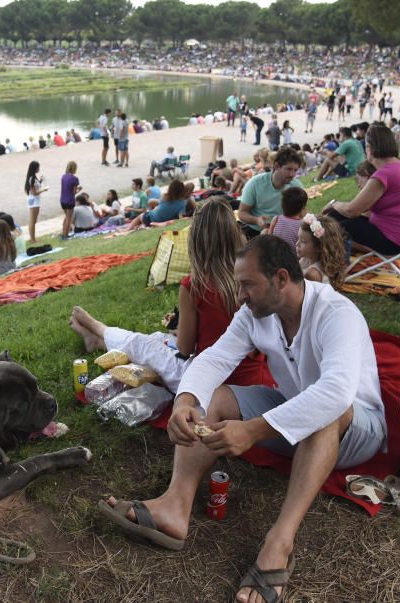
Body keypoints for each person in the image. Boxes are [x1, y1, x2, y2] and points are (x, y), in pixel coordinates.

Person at [97, 235, 384, 603]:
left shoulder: (335, 313)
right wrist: (185, 400)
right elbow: (215, 359)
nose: (240, 295)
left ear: (281, 278)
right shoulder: (254, 314)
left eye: (248, 285)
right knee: (215, 397)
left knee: (325, 411)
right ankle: (174, 505)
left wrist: (253, 430)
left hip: (357, 428)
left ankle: (280, 542)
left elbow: (336, 394)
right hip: (292, 412)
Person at [70, 198, 273, 393]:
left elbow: (184, 349)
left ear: (196, 239)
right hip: (254, 377)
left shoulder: (195, 285)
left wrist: (180, 332)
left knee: (146, 345)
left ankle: (98, 328)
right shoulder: (253, 276)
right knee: (159, 338)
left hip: (209, 382)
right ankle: (97, 341)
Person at [323, 125, 400, 256]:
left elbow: (351, 211)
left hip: (394, 242)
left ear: (369, 148)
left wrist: (333, 203)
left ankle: (325, 264)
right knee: (335, 216)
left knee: (329, 225)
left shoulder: (385, 174)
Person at [237, 147, 304, 239]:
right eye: (289, 169)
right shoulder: (255, 183)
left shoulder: (297, 186)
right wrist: (257, 220)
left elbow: (302, 211)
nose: (292, 174)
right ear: (276, 166)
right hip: (255, 230)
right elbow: (242, 213)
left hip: (283, 232)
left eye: (295, 170)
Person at [296, 213, 348, 289]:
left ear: (319, 247)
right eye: (298, 238)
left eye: (303, 241)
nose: (297, 243)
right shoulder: (307, 258)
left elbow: (305, 297)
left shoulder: (313, 274)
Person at [25, 161, 47, 243]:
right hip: (34, 201)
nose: (39, 169)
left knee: (33, 221)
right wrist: (44, 190)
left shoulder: (32, 178)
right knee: (32, 221)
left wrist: (40, 181)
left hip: (34, 200)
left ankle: (32, 238)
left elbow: (34, 188)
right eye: (38, 167)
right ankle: (32, 239)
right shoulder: (32, 179)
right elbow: (34, 192)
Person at [60, 160, 81, 239]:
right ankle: (65, 235)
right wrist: (79, 189)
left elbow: (66, 188)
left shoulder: (63, 176)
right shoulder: (75, 179)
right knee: (69, 219)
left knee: (66, 217)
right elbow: (73, 192)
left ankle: (63, 232)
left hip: (62, 200)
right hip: (70, 201)